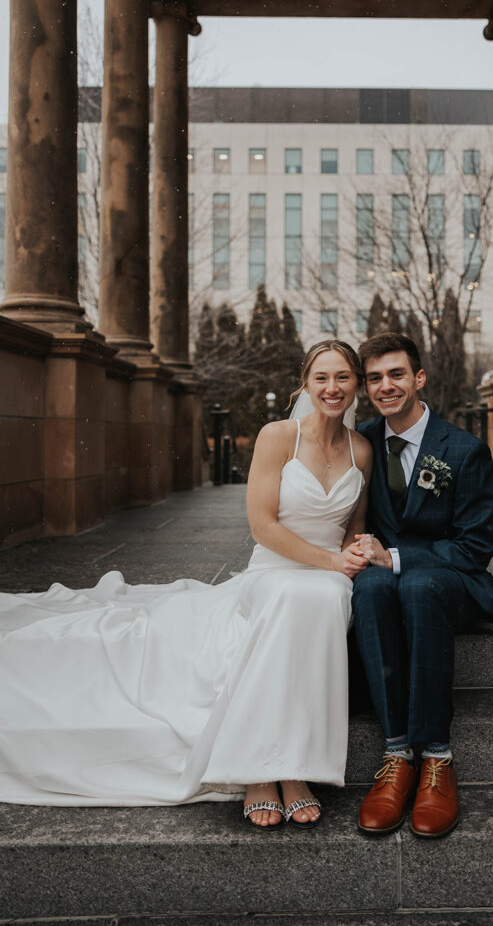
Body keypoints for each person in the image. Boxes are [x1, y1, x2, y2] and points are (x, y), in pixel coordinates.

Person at [0, 340, 372, 830]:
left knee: (323, 599)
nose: (332, 388)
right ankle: (261, 771)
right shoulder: (278, 436)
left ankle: (297, 768)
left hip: (328, 577)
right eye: (321, 378)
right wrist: (328, 560)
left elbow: (353, 528)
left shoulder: (360, 448)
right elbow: (263, 527)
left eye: (342, 377)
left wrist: (359, 550)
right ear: (304, 384)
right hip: (275, 569)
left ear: (356, 385)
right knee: (289, 596)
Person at [349, 332, 493, 838]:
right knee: (370, 589)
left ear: (419, 378)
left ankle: (437, 756)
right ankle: (397, 755)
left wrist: (395, 556)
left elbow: (476, 546)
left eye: (396, 374)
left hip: (449, 585)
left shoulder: (464, 450)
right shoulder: (362, 441)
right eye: (374, 378)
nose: (386, 386)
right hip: (385, 586)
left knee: (415, 586)